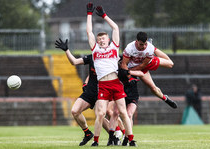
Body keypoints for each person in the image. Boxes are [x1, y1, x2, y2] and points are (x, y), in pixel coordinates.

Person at [86, 2, 136, 146]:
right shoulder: (95, 50)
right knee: (100, 113)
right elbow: (89, 32)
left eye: (103, 38)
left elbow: (115, 27)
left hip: (115, 83)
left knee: (122, 112)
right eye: (99, 39)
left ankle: (131, 139)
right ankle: (95, 141)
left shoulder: (114, 47)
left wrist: (104, 16)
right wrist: (89, 14)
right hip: (103, 85)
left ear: (108, 39)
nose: (101, 40)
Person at [55, 39, 111, 146]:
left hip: (103, 92)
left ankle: (114, 136)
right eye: (99, 43)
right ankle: (87, 133)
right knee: (75, 111)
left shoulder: (112, 58)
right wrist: (66, 50)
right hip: (90, 92)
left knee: (102, 116)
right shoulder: (92, 57)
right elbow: (74, 62)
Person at [121, 31, 178, 109]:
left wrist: (130, 71)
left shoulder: (149, 48)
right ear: (136, 41)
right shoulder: (129, 48)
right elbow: (124, 64)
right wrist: (127, 73)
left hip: (146, 63)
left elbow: (143, 65)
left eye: (145, 44)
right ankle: (165, 99)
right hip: (136, 67)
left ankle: (155, 48)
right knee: (153, 89)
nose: (144, 46)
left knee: (170, 64)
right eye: (141, 44)